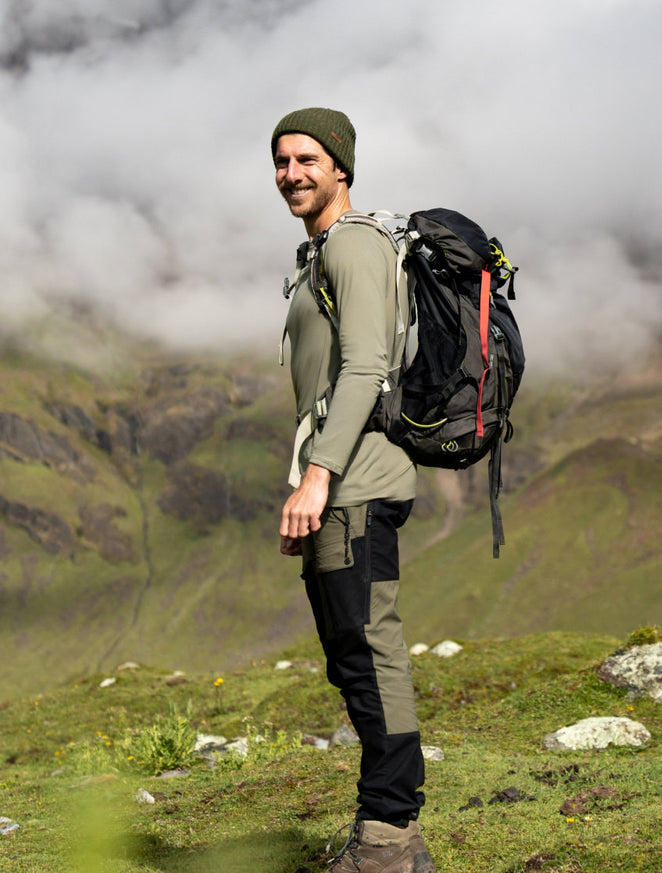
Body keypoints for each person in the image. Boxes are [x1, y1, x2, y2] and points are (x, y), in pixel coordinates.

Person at [272, 107, 436, 873]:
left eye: (308, 157)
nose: (292, 172)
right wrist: (307, 486)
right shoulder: (320, 254)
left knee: (371, 655)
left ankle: (389, 840)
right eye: (281, 160)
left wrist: (317, 477)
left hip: (356, 485)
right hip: (336, 489)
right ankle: (392, 837)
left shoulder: (358, 245)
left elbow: (366, 368)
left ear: (341, 166)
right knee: (351, 657)